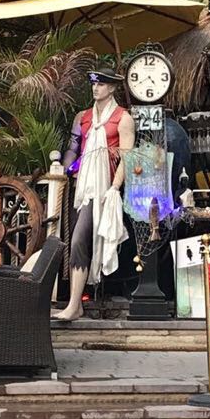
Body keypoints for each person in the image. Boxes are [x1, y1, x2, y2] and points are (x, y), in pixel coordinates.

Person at [53, 67, 135, 321]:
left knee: (79, 239)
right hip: (82, 188)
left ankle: (74, 304)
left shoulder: (123, 118)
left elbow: (126, 157)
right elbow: (73, 148)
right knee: (77, 241)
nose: (95, 88)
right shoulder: (83, 117)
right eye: (94, 84)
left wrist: (114, 187)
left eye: (101, 84)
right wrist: (66, 169)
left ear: (112, 88)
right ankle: (76, 302)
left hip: (104, 189)